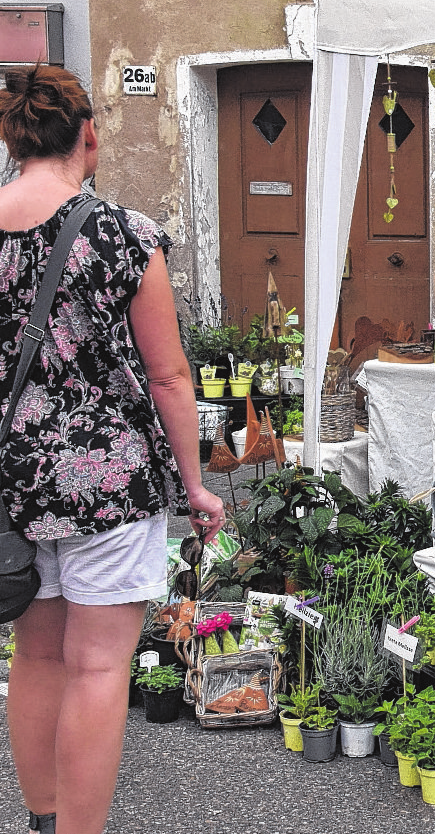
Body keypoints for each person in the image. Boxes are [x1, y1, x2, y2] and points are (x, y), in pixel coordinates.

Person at [0, 65, 226, 834]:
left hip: (16, 485)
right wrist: (193, 484)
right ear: (88, 137)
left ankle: (41, 820)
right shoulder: (125, 235)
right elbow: (167, 374)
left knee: (35, 660)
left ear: (14, 138)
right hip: (112, 482)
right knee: (98, 666)